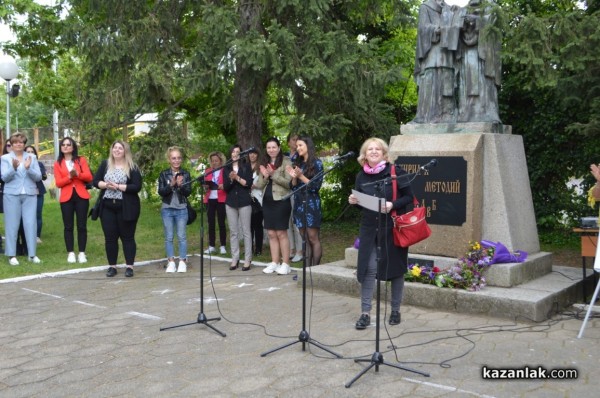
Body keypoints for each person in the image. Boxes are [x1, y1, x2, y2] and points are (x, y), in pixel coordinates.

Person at [348, 138, 414, 329]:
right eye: (370, 149)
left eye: (378, 149)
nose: (374, 152)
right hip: (369, 229)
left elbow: (409, 197)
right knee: (368, 270)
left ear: (384, 153)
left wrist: (392, 204)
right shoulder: (361, 176)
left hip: (392, 228)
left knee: (395, 270)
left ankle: (395, 310)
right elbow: (362, 204)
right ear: (365, 154)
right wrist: (355, 201)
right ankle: (365, 313)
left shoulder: (395, 172)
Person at [93, 140, 142, 277]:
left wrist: (119, 186)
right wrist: (106, 185)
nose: (117, 150)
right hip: (107, 207)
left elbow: (136, 186)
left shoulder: (132, 167)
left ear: (125, 151)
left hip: (126, 207)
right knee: (110, 238)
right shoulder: (105, 164)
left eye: (120, 148)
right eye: (115, 148)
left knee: (127, 237)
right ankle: (112, 266)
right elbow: (95, 181)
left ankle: (129, 267)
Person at [412, 0, 461, 124]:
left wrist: (456, 15)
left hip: (447, 52)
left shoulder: (450, 9)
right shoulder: (425, 6)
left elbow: (457, 28)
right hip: (432, 52)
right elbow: (422, 28)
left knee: (447, 80)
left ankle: (447, 114)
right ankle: (426, 115)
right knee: (431, 79)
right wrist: (436, 30)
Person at [456, 0, 502, 123]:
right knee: (468, 82)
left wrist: (475, 19)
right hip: (468, 52)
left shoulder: (492, 7)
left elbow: (491, 22)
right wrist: (463, 22)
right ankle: (467, 114)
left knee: (484, 83)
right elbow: (457, 29)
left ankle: (487, 113)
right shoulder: (465, 9)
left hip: (484, 53)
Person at [1, 133, 43, 265]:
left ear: (24, 144)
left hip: (29, 194)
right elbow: (4, 178)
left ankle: (32, 254)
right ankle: (11, 255)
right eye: (15, 143)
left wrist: (28, 168)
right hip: (11, 194)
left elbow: (38, 177)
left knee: (31, 224)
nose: (18, 144)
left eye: (21, 142)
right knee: (12, 225)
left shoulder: (32, 157)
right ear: (12, 145)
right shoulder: (5, 158)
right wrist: (13, 168)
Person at [255, 137, 293, 275]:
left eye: (274, 147)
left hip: (281, 201)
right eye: (269, 147)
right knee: (271, 233)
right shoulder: (263, 162)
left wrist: (273, 174)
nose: (271, 150)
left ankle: (286, 263)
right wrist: (265, 176)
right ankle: (274, 262)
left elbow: (289, 183)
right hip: (267, 201)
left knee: (281, 233)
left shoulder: (287, 161)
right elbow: (259, 185)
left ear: (279, 147)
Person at [54, 137, 93, 264]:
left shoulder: (81, 160)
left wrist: (78, 174)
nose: (65, 147)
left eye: (68, 144)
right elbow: (59, 183)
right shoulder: (57, 163)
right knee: (68, 226)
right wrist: (69, 177)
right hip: (66, 196)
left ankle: (82, 253)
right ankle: (70, 252)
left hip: (81, 195)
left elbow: (88, 176)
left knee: (82, 226)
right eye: (63, 145)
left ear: (73, 147)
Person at [286, 136, 324, 266]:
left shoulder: (317, 163)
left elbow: (315, 186)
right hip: (299, 204)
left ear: (308, 146)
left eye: (300, 145)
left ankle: (315, 269)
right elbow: (293, 187)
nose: (298, 148)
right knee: (305, 240)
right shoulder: (298, 163)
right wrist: (294, 178)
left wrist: (301, 176)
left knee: (313, 238)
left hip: (311, 204)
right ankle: (306, 272)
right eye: (297, 146)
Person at [158, 146, 192, 273]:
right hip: (167, 209)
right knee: (169, 236)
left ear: (181, 160)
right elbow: (161, 192)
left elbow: (188, 192)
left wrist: (180, 185)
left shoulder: (186, 174)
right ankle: (171, 261)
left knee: (182, 236)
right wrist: (171, 184)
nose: (176, 161)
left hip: (181, 209)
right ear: (169, 160)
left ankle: (182, 260)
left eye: (178, 158)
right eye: (173, 158)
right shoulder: (163, 174)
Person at [223, 145, 253, 271]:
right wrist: (231, 179)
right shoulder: (226, 168)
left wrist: (237, 178)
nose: (235, 154)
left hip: (244, 201)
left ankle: (247, 259)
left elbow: (248, 184)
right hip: (230, 203)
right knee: (233, 232)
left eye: (238, 152)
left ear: (241, 154)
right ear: (230, 154)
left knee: (246, 231)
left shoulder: (246, 166)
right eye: (233, 152)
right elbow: (225, 187)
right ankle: (235, 258)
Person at [202, 151, 227, 255]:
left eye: (216, 161)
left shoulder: (225, 170)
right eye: (212, 161)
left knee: (221, 223)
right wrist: (205, 186)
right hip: (210, 199)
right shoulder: (207, 171)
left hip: (221, 199)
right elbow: (205, 185)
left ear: (221, 161)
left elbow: (228, 184)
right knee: (210, 223)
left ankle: (223, 246)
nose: (214, 163)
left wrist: (223, 185)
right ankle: (212, 245)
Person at [286, 133, 304, 263]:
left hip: (296, 191)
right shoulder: (284, 156)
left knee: (296, 221)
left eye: (298, 140)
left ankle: (300, 250)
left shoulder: (301, 157)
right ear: (288, 142)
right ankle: (291, 249)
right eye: (293, 140)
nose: (296, 142)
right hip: (284, 191)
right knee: (287, 221)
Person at [25, 146, 47, 245]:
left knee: (37, 214)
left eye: (32, 151)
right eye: (28, 151)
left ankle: (37, 235)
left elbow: (43, 176)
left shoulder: (39, 164)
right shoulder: (21, 164)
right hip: (25, 192)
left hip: (38, 192)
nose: (30, 153)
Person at [248, 147, 264, 256]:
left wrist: (255, 185)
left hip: (259, 198)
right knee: (248, 226)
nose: (252, 155)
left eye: (254, 153)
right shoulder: (244, 167)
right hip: (247, 199)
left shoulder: (261, 167)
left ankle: (258, 248)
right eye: (250, 153)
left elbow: (265, 182)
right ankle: (250, 248)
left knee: (257, 225)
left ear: (258, 155)